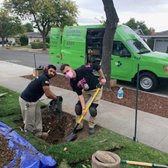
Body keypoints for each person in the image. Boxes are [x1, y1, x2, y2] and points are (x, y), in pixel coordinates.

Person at [60, 63, 106, 134]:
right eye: (65, 73)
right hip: (86, 91)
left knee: (92, 109)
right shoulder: (73, 83)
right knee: (78, 107)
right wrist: (84, 108)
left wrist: (102, 77)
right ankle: (79, 124)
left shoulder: (83, 69)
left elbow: (97, 66)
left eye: (67, 71)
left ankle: (91, 125)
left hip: (97, 88)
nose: (67, 73)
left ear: (71, 68)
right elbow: (80, 94)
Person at [19, 64, 58, 139]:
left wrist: (55, 96)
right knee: (29, 120)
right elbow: (48, 94)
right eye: (51, 71)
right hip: (27, 101)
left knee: (37, 117)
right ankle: (29, 136)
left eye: (54, 73)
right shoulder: (44, 78)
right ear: (46, 70)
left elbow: (48, 91)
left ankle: (38, 133)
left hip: (34, 101)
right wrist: (56, 98)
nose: (52, 73)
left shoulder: (43, 78)